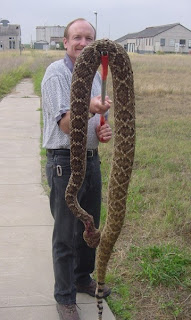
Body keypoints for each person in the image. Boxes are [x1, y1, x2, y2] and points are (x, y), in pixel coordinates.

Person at [41, 18, 112, 320]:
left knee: (89, 226)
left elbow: (92, 125)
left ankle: (83, 278)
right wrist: (91, 108)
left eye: (89, 38)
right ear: (65, 42)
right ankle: (65, 297)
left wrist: (102, 130)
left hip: (91, 160)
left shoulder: (94, 75)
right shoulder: (57, 74)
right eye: (77, 38)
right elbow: (67, 124)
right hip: (65, 163)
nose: (83, 44)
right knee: (67, 234)